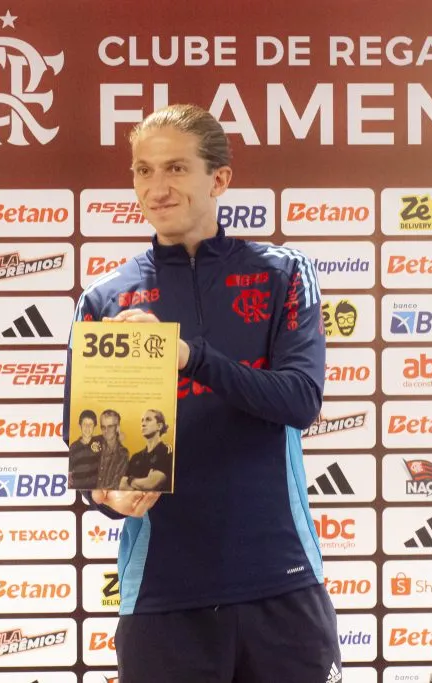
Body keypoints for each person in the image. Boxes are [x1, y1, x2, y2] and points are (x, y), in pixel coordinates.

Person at [61, 103, 340, 683]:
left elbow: (299, 400)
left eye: (175, 169)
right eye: (142, 171)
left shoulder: (282, 272)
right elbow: (97, 460)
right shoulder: (106, 299)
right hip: (164, 594)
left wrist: (188, 356)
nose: (156, 188)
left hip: (279, 581)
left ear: (219, 178)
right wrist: (108, 495)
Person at [119, 409, 174, 492]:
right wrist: (142, 484)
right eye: (142, 420)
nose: (143, 424)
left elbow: (151, 484)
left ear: (159, 426)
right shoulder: (135, 457)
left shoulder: (167, 451)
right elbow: (121, 485)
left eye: (148, 420)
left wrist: (130, 480)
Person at [67, 409, 104, 489]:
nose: (87, 427)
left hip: (95, 489)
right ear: (80, 425)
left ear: (95, 425)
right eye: (84, 424)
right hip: (78, 488)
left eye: (91, 424)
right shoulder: (73, 447)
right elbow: (69, 472)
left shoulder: (100, 441)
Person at [95, 408, 129, 490]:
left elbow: (116, 483)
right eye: (103, 427)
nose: (106, 431)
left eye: (110, 427)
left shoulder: (123, 453)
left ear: (117, 428)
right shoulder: (95, 445)